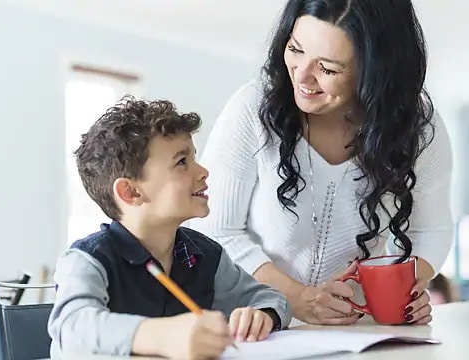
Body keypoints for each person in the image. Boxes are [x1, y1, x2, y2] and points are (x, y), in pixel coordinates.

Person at [188, 0, 453, 326]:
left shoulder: (418, 128)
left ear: (377, 70)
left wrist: (403, 292)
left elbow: (433, 232)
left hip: (357, 332)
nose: (303, 76)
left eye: (328, 68)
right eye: (296, 50)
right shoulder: (253, 109)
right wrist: (297, 298)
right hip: (257, 324)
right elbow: (214, 231)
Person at [47, 97, 291, 359]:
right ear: (130, 192)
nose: (203, 171)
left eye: (193, 157)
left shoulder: (205, 254)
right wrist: (161, 336)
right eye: (181, 162)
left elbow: (270, 299)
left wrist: (262, 315)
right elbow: (72, 327)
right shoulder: (87, 260)